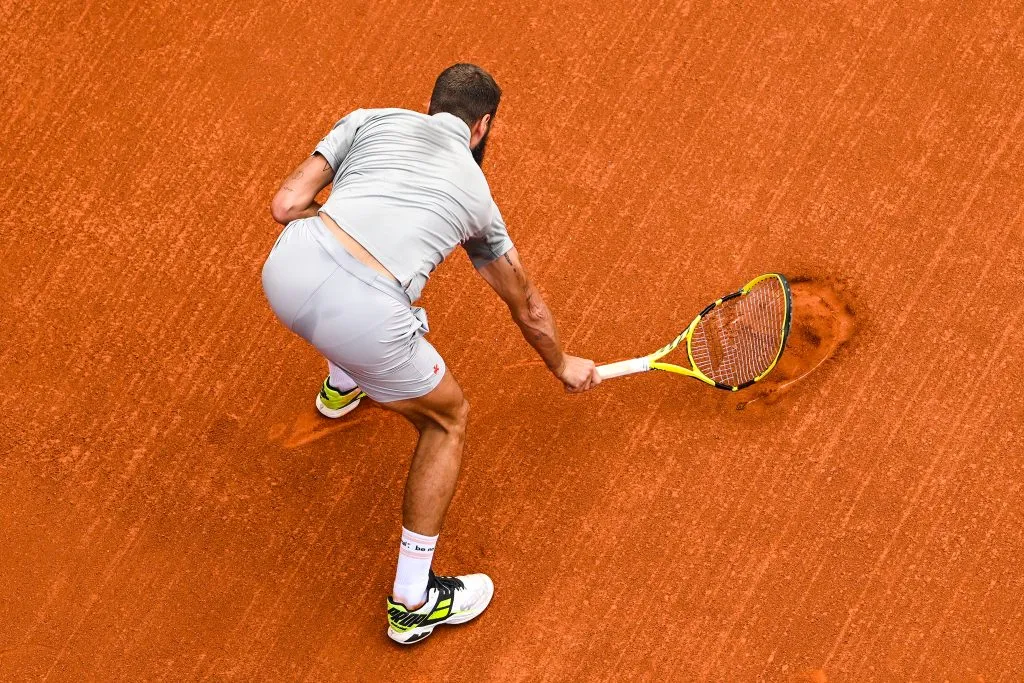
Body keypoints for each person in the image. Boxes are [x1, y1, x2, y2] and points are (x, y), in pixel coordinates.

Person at [261, 63, 601, 645]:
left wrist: (345, 231)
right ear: (483, 125)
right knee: (447, 420)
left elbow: (286, 204)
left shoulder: (366, 120)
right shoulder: (475, 194)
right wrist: (562, 363)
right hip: (363, 317)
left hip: (284, 273)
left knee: (387, 308)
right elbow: (527, 307)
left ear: (434, 104)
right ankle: (413, 602)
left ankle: (342, 389)